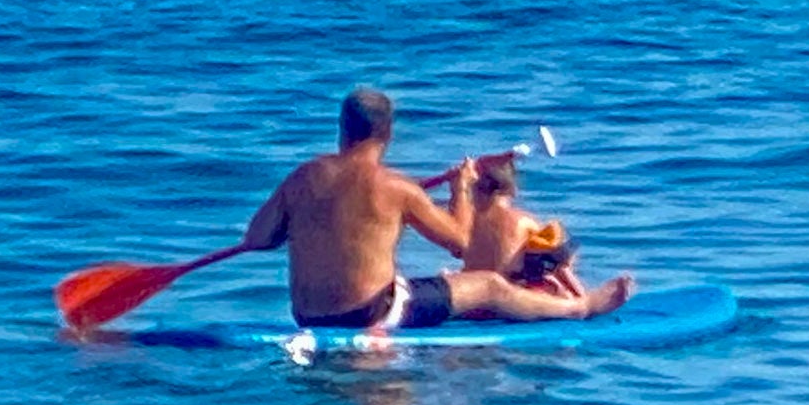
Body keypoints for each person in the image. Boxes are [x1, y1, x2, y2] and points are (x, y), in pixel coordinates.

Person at [241, 88, 629, 331]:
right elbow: (460, 243)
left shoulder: (302, 177)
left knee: (418, 282)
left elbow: (256, 239)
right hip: (370, 314)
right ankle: (579, 308)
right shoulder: (397, 187)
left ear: (342, 129)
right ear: (388, 134)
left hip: (306, 316)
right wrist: (460, 189)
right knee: (488, 285)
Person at [449, 150, 584, 295]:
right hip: (510, 296)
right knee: (561, 257)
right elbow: (559, 268)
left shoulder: (467, 224)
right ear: (513, 189)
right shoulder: (525, 222)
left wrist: (457, 191)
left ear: (475, 189)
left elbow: (456, 250)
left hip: (474, 295)